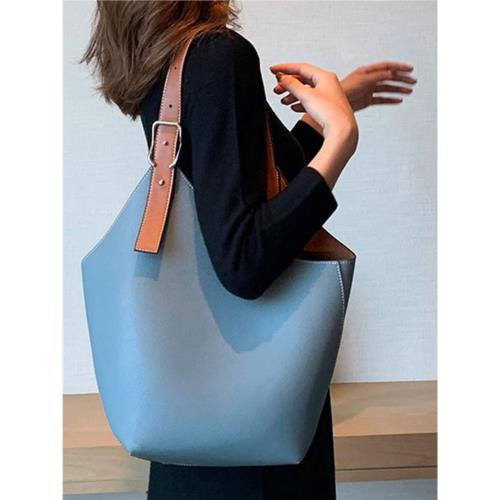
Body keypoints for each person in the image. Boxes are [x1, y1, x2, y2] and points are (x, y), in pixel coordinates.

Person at [81, 2, 416, 498]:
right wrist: (340, 140)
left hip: (194, 422)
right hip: (255, 440)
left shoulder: (169, 53)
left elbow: (244, 192)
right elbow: (245, 261)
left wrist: (332, 111)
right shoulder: (215, 54)